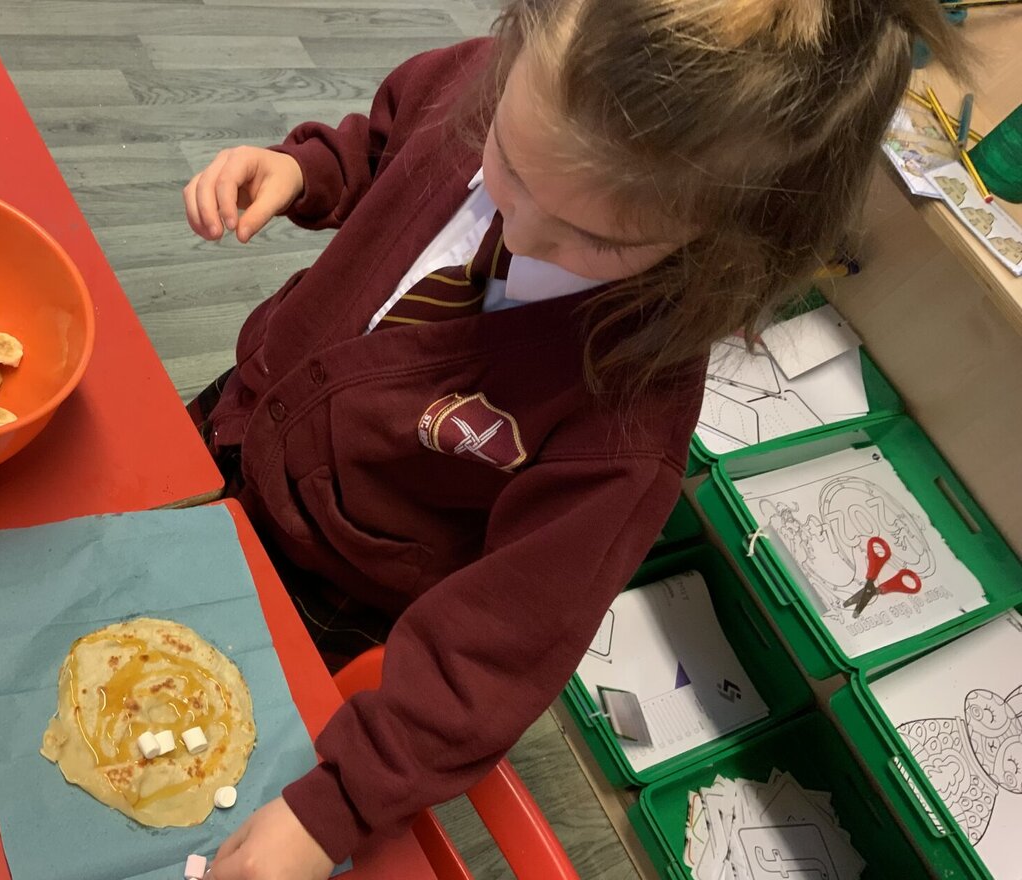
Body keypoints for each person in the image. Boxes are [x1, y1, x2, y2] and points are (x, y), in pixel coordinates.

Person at [183, 1, 966, 877]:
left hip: (334, 582)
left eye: (593, 237)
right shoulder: (482, 83)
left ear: (727, 242)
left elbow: (491, 655)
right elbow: (386, 137)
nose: (516, 227)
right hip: (241, 413)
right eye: (506, 164)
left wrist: (335, 808)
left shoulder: (625, 430)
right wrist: (310, 170)